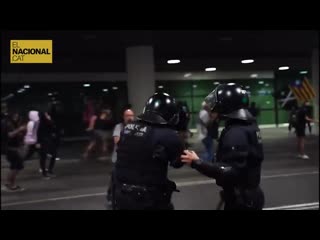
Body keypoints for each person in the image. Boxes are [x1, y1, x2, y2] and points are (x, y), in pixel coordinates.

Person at [181, 84, 265, 210]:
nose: (215, 107)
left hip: (242, 200)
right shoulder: (249, 125)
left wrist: (196, 162)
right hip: (248, 194)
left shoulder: (236, 132)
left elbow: (229, 172)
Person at [113, 93, 184, 210]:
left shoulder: (128, 128)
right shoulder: (167, 134)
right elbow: (178, 163)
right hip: (148, 199)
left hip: (121, 194)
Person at [106, 108, 135, 206]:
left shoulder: (136, 127)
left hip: (130, 159)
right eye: (127, 116)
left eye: (131, 115)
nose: (129, 118)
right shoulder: (119, 127)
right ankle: (110, 196)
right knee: (115, 178)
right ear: (123, 117)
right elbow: (117, 142)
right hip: (118, 159)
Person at [3, 113, 27, 192]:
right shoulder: (8, 124)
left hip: (15, 149)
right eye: (14, 116)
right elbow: (10, 135)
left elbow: (18, 135)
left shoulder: (14, 124)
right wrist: (19, 129)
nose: (16, 117)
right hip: (11, 149)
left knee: (17, 167)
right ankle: (11, 185)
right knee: (15, 167)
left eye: (17, 116)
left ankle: (8, 183)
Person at [37, 112, 59, 179]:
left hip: (49, 141)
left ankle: (50, 170)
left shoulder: (49, 122)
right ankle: (44, 173)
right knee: (43, 157)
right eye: (46, 115)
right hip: (43, 141)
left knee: (54, 154)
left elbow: (53, 128)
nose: (48, 116)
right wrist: (38, 142)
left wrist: (50, 120)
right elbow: (38, 133)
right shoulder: (40, 123)